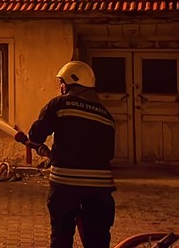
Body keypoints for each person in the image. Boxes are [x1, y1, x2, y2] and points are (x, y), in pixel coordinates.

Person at [18, 60, 116, 248]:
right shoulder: (106, 116)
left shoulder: (60, 104)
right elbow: (108, 153)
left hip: (65, 185)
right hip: (100, 188)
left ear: (70, 83)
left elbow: (36, 135)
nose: (60, 87)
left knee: (62, 236)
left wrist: (39, 145)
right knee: (97, 240)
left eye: (61, 82)